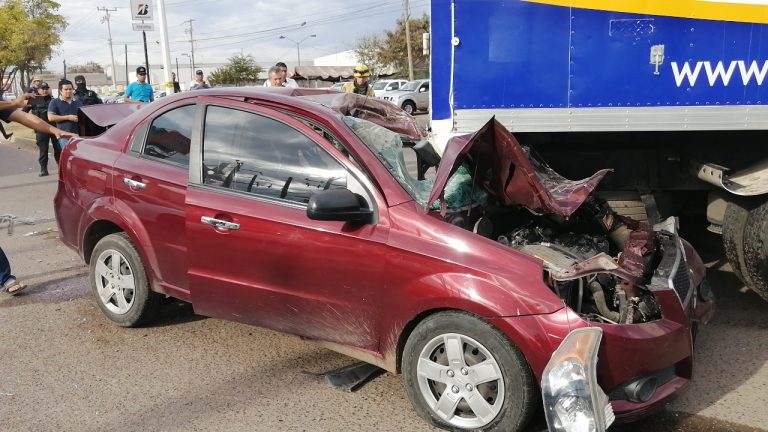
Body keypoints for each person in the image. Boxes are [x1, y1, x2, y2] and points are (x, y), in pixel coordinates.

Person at [27, 82, 59, 176]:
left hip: (54, 127)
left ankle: (60, 168)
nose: (45, 90)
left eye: (46, 88)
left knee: (58, 149)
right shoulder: (34, 100)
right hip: (41, 128)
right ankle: (43, 169)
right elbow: (24, 112)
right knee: (43, 150)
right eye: (42, 88)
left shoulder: (53, 100)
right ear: (38, 90)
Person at [47, 79, 83, 150]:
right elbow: (50, 117)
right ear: (60, 91)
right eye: (66, 89)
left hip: (78, 136)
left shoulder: (78, 102)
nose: (69, 91)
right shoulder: (54, 102)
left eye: (70, 89)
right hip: (64, 136)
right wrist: (68, 117)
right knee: (68, 156)